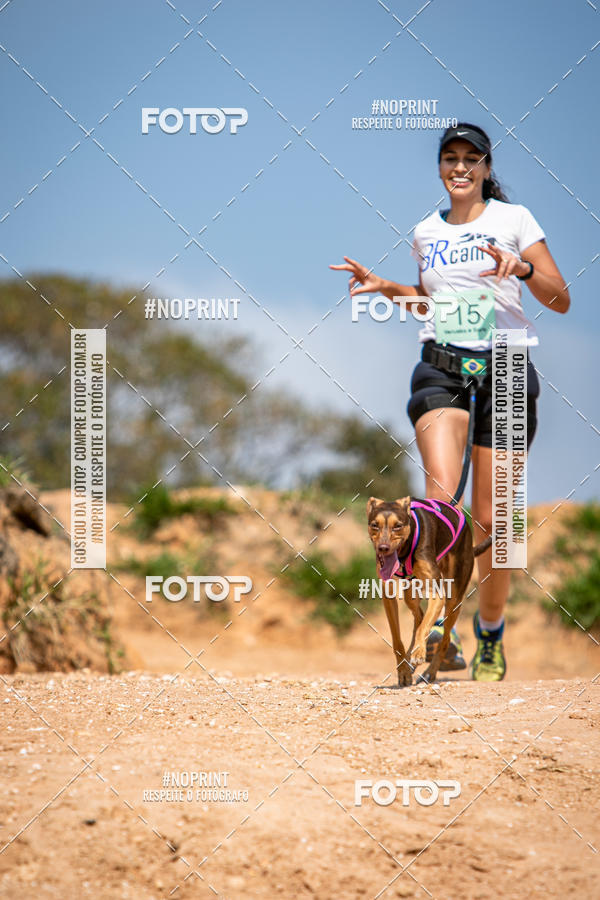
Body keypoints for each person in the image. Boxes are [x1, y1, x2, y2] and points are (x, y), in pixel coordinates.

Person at [330, 122, 570, 681]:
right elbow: (431, 302)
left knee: (494, 520)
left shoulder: (515, 220)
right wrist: (388, 288)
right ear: (440, 166)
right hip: (440, 367)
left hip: (506, 367)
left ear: (486, 167)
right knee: (440, 504)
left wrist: (523, 268)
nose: (460, 167)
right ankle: (442, 628)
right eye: (450, 157)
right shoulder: (425, 231)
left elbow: (560, 297)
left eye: (471, 158)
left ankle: (490, 632)